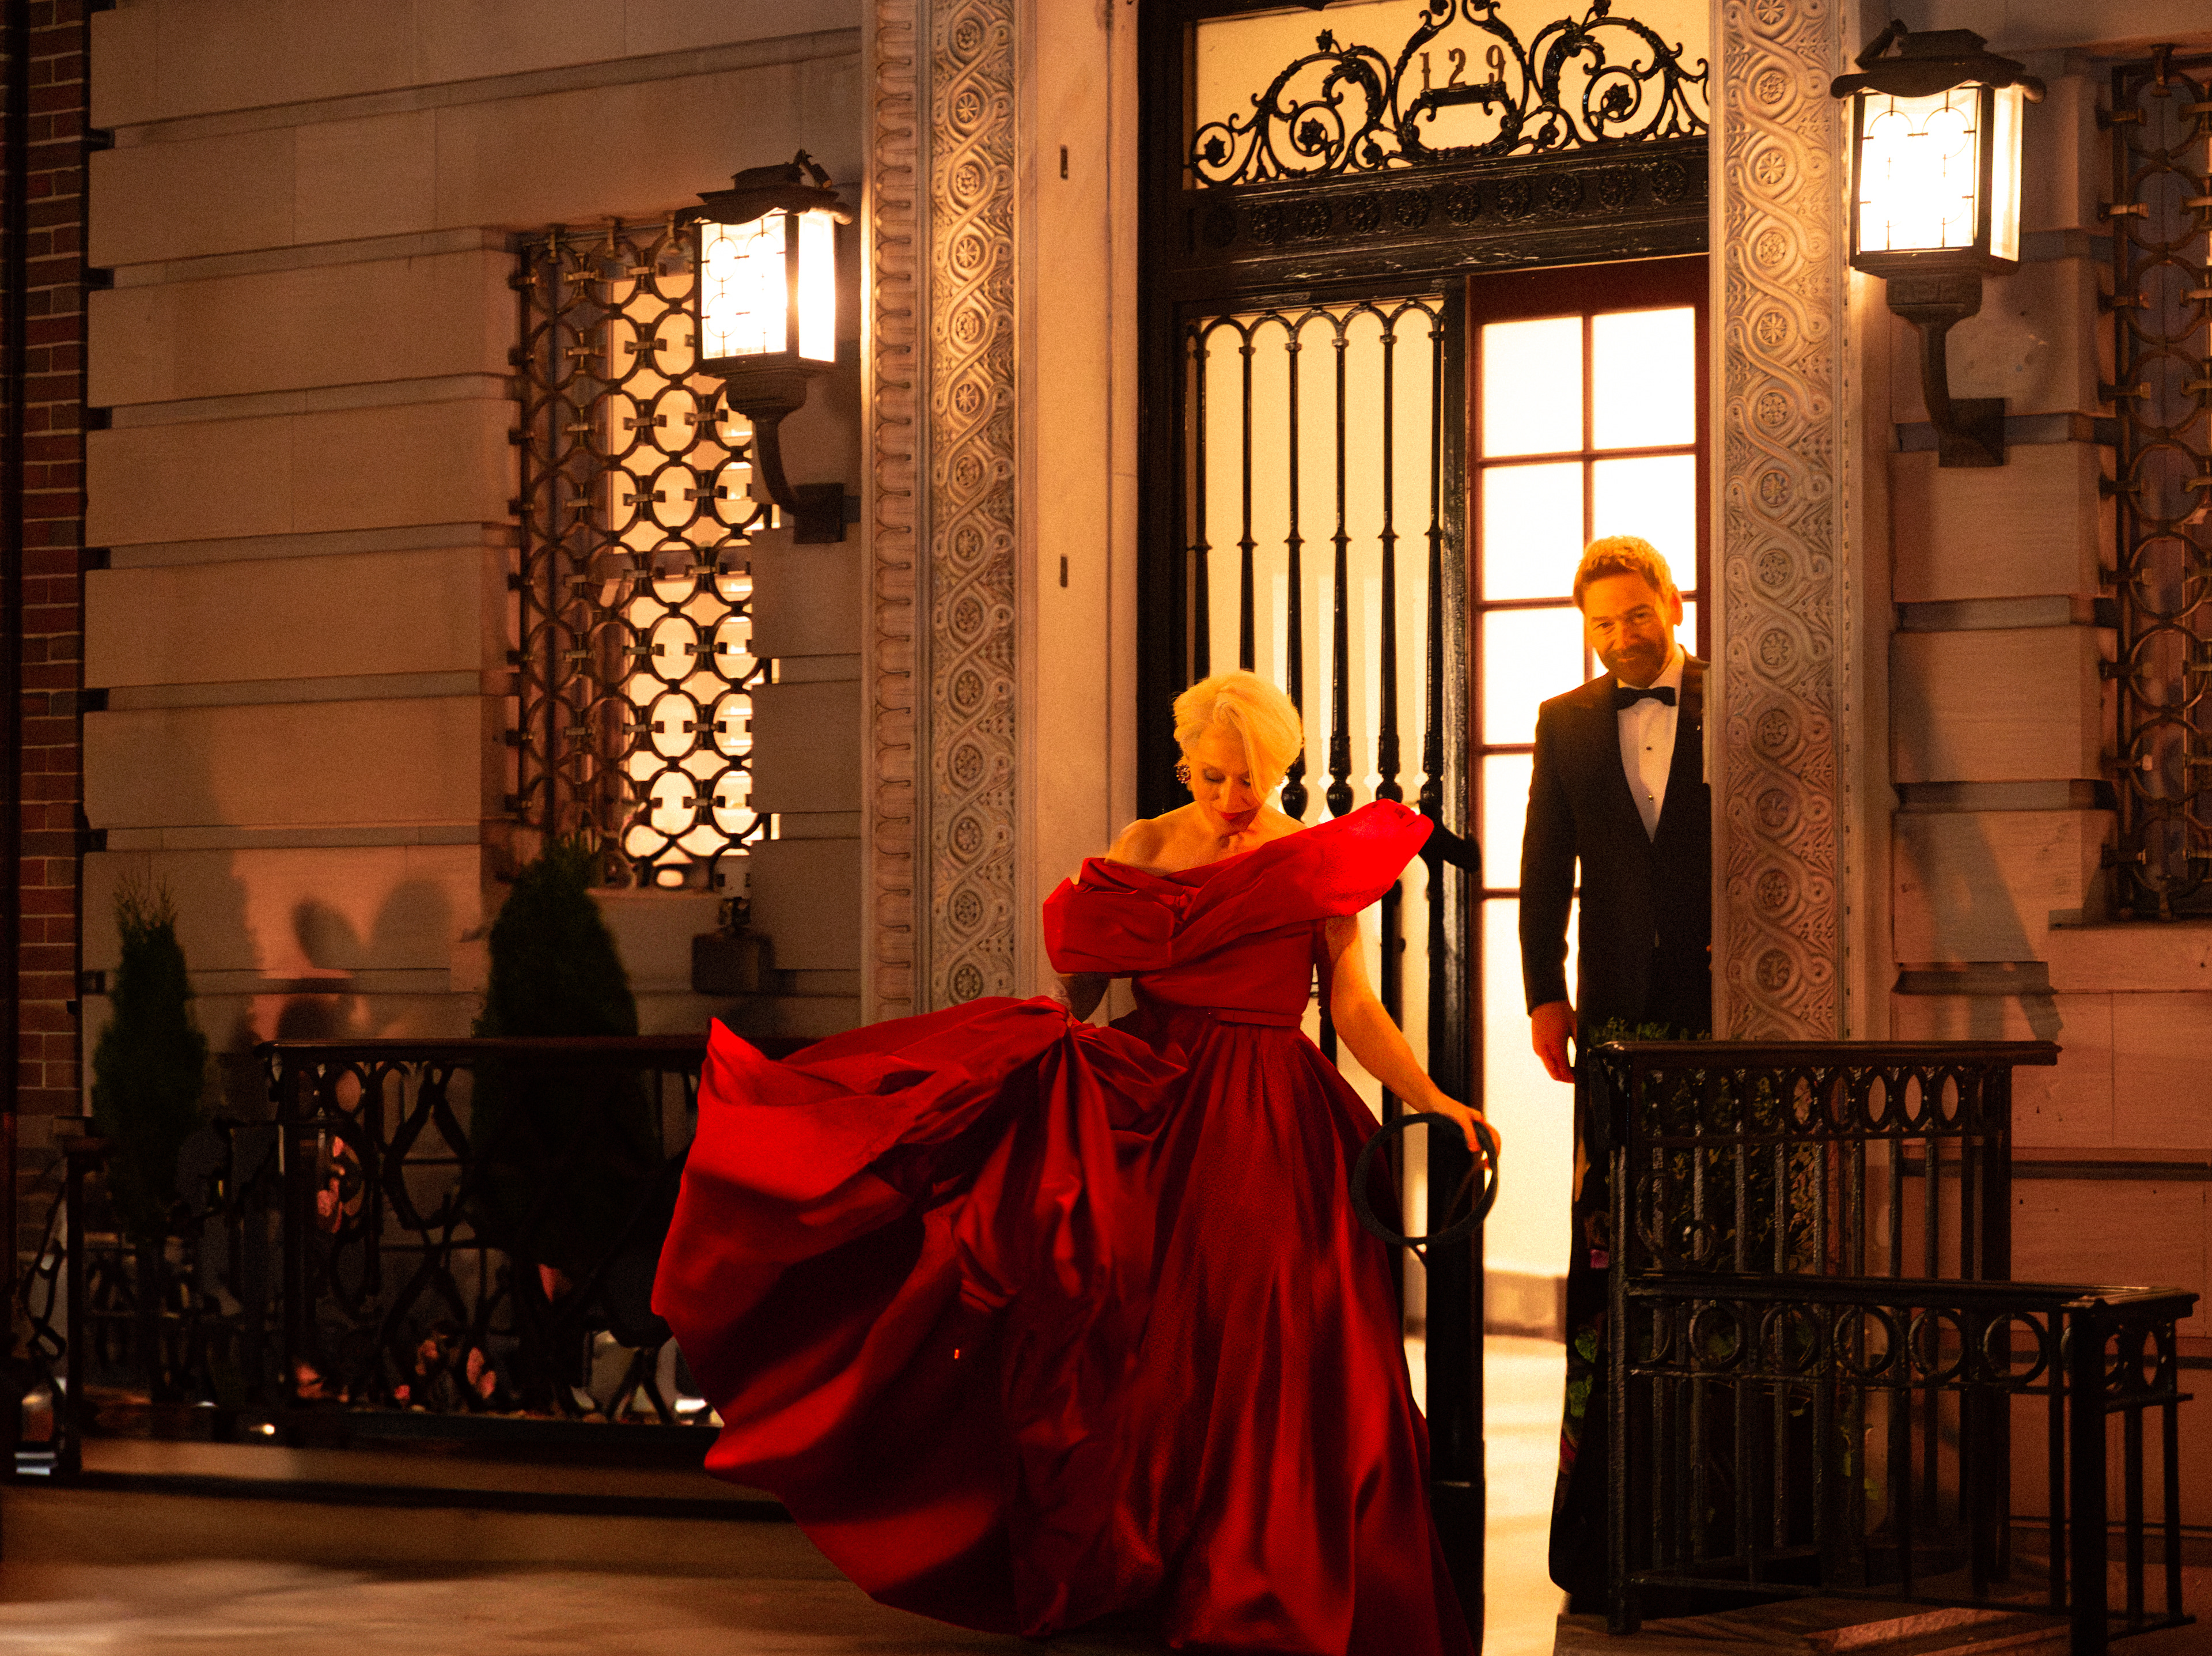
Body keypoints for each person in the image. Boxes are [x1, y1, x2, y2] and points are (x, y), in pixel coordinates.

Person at [654, 668, 1494, 1656]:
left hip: (1273, 1114)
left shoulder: (1305, 860)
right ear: (1187, 763)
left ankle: (1263, 1578)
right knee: (1133, 1336)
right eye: (1219, 776)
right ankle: (1144, 1563)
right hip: (1154, 1095)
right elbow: (1086, 989)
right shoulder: (1142, 844)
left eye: (1255, 780)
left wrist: (1434, 1099)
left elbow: (1351, 1005)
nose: (1234, 801)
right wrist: (1053, 1033)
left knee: (1274, 1336)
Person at [1518, 536, 1711, 1610]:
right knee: (1616, 1249)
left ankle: (1731, 1509)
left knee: (1731, 1239)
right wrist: (1545, 995)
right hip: (1618, 1032)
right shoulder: (1566, 721)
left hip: (1733, 1022)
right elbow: (1545, 869)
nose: (1622, 637)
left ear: (1670, 604)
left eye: (1637, 615)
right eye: (1603, 622)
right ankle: (1607, 1520)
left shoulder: (1736, 697)